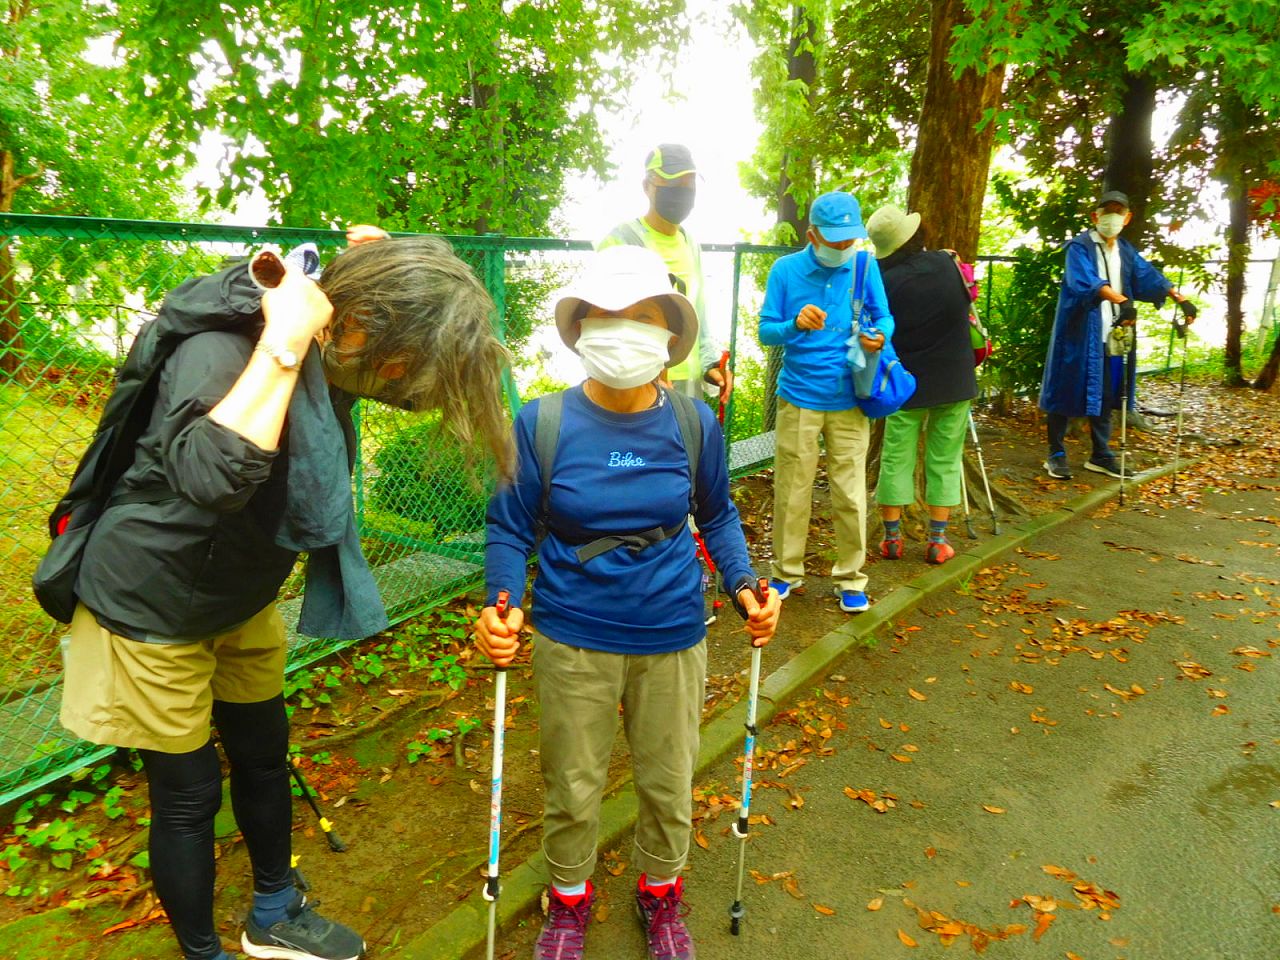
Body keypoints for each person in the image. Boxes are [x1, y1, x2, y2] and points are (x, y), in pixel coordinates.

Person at [58, 225, 512, 960]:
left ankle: (273, 912)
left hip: (241, 591)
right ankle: (202, 951)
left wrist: (389, 273)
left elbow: (395, 372)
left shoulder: (344, 334)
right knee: (188, 795)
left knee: (264, 752)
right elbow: (213, 475)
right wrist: (286, 342)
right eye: (398, 360)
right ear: (355, 326)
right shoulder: (228, 349)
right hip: (153, 601)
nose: (402, 378)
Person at [474, 246, 780, 960]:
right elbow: (509, 524)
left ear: (668, 334)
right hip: (571, 631)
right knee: (572, 786)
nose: (621, 329)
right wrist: (499, 603)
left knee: (669, 784)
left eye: (640, 315)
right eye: (606, 314)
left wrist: (744, 589)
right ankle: (568, 903)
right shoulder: (543, 423)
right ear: (580, 328)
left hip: (671, 630)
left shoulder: (694, 421)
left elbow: (717, 513)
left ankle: (660, 895)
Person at [758, 190, 894, 613]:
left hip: (850, 397)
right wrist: (795, 324)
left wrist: (881, 335)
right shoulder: (785, 270)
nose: (842, 247)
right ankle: (785, 572)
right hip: (798, 396)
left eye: (848, 239)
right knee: (792, 490)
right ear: (813, 233)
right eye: (834, 239)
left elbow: (885, 316)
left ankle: (851, 577)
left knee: (850, 493)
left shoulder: (864, 264)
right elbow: (766, 331)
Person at [1040, 190, 1197, 479]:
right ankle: (1056, 453)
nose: (1112, 217)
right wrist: (1122, 301)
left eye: (1118, 212)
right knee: (1065, 388)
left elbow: (1151, 276)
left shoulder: (1125, 250)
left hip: (1113, 337)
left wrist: (1180, 299)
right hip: (1079, 333)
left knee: (1110, 392)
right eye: (1107, 211)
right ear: (1095, 216)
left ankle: (1101, 454)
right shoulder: (1079, 247)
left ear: (1127, 217)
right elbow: (1085, 281)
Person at [865, 204, 978, 565]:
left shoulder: (884, 283)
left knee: (896, 456)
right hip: (955, 378)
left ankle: (892, 539)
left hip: (905, 383)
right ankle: (937, 541)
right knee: (944, 459)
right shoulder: (947, 263)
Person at [598, 143, 733, 404]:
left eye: (688, 187)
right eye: (672, 186)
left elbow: (698, 312)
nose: (681, 195)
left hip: (687, 384)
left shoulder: (690, 243)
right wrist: (645, 371)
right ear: (647, 187)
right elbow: (604, 322)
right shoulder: (619, 241)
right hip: (634, 387)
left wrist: (710, 363)